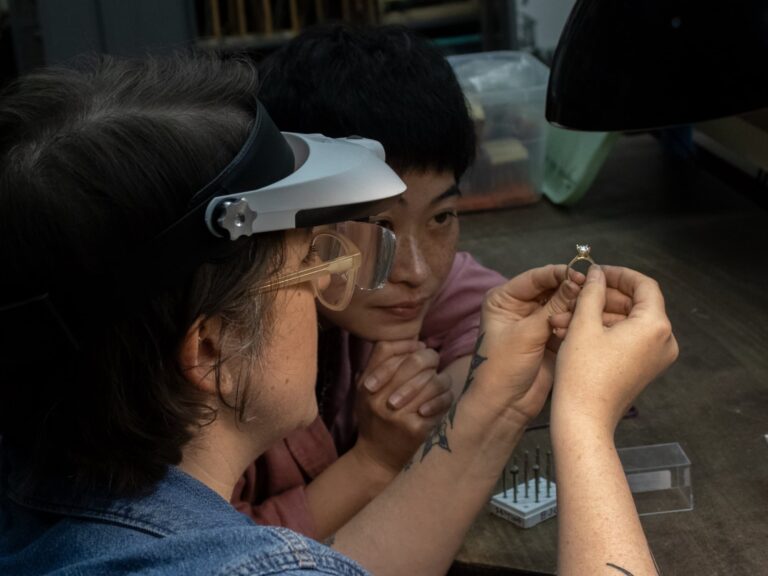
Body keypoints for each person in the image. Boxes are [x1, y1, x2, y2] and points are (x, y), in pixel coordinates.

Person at [0, 54, 677, 576]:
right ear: (210, 351)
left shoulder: (43, 495)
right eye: (315, 260)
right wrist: (584, 424)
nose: (338, 280)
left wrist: (501, 398)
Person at [231, 22, 507, 540]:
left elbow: (496, 313)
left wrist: (433, 397)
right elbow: (205, 554)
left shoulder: (377, 289)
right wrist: (375, 463)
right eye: (377, 227)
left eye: (441, 218)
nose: (416, 273)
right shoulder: (218, 359)